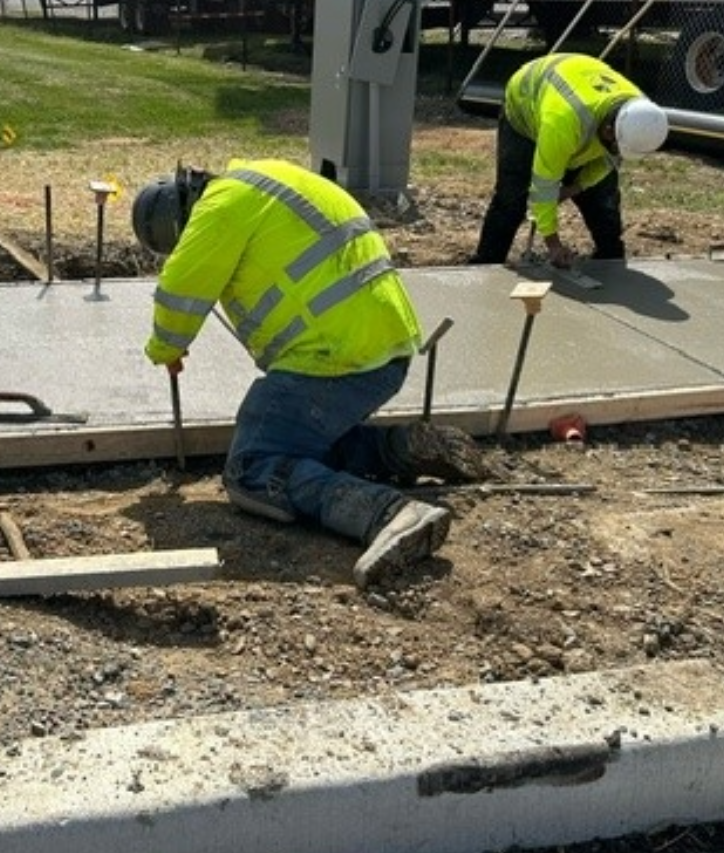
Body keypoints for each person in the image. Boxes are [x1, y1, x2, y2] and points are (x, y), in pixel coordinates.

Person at [132, 159, 491, 589]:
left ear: (179, 222)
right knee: (299, 442)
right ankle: (396, 450)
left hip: (330, 359)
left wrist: (166, 349)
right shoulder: (266, 178)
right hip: (385, 352)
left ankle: (388, 513)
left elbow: (179, 289)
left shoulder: (218, 209)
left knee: (253, 467)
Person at [471, 53, 669, 268]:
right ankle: (487, 262)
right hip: (525, 107)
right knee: (511, 197)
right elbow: (544, 185)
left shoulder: (639, 115)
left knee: (603, 199)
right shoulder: (562, 122)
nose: (617, 153)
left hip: (579, 90)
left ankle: (610, 258)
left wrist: (574, 188)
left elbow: (608, 161)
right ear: (609, 130)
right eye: (616, 148)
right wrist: (553, 244)